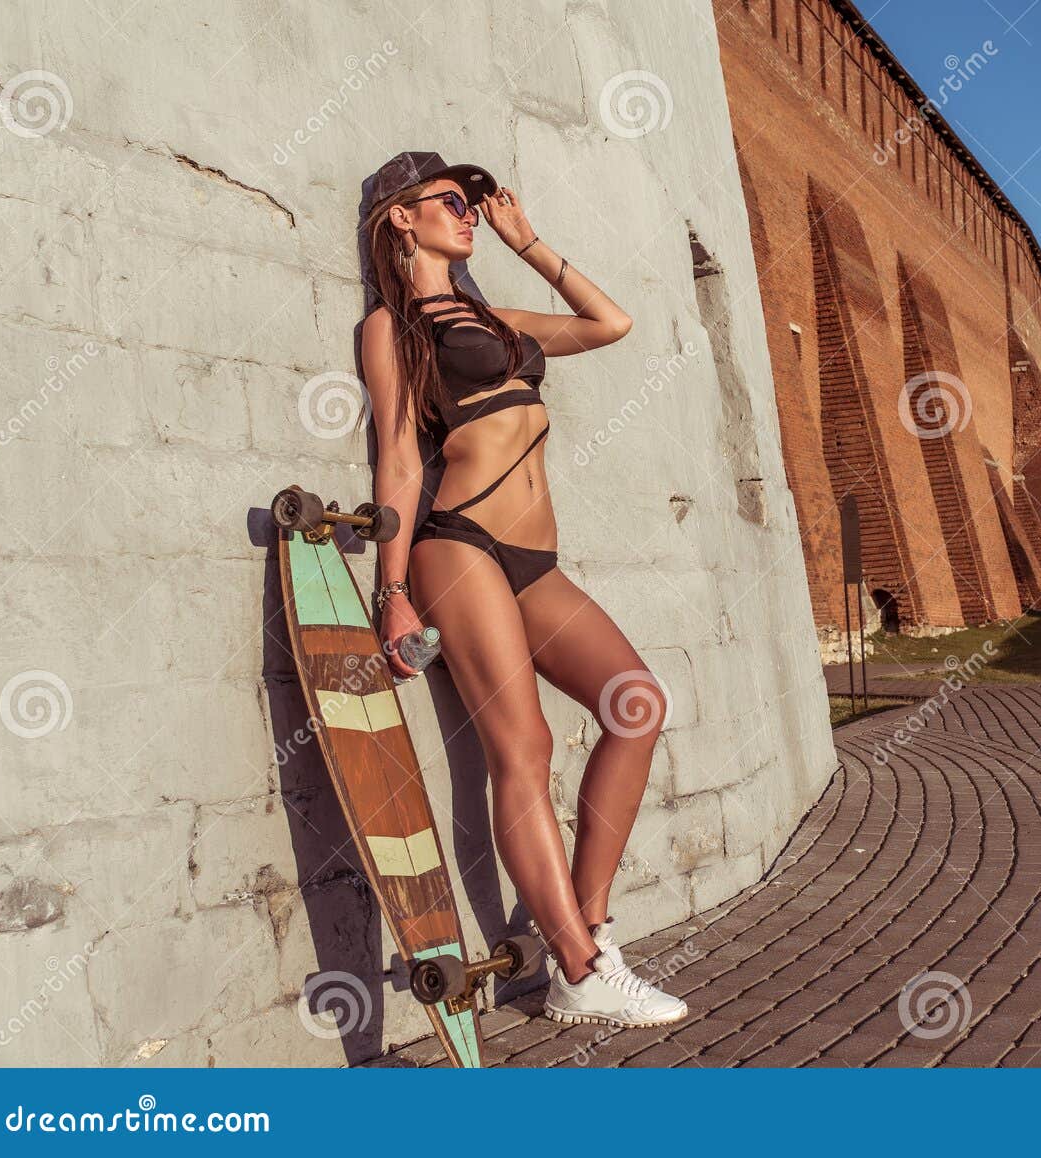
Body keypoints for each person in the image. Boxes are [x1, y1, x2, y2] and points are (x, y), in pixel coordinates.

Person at [357, 151, 686, 1028]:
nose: (470, 212)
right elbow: (396, 456)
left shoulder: (494, 316)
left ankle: (589, 928)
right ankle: (578, 972)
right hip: (457, 546)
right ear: (402, 217)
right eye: (453, 202)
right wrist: (391, 590)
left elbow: (610, 323)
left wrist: (527, 240)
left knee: (636, 704)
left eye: (473, 203)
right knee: (526, 747)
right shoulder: (394, 328)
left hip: (535, 562)